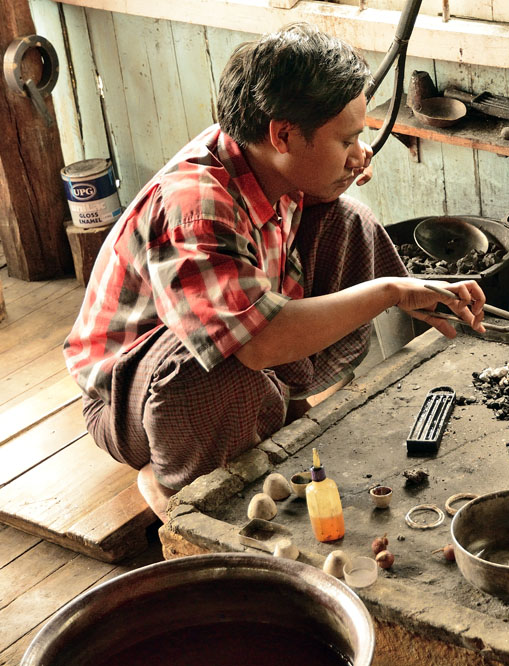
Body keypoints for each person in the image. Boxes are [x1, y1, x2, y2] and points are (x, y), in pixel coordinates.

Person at [63, 23, 485, 521]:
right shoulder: (196, 206)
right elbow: (256, 343)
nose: (360, 152)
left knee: (349, 221)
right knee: (219, 368)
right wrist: (391, 291)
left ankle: (280, 410)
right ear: (282, 134)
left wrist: (339, 168)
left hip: (231, 344)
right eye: (347, 138)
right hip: (132, 395)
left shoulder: (258, 151)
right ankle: (184, 484)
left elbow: (314, 197)